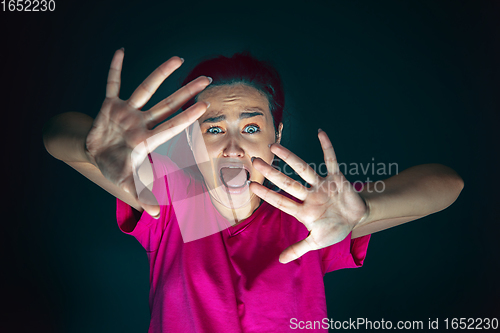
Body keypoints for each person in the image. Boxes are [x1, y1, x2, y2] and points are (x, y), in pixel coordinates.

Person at [43, 48, 464, 332]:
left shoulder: (310, 214)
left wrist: (368, 211)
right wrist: (93, 148)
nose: (231, 145)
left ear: (275, 134)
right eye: (212, 128)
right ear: (190, 139)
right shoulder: (172, 203)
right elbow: (55, 134)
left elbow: (448, 184)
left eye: (250, 126)